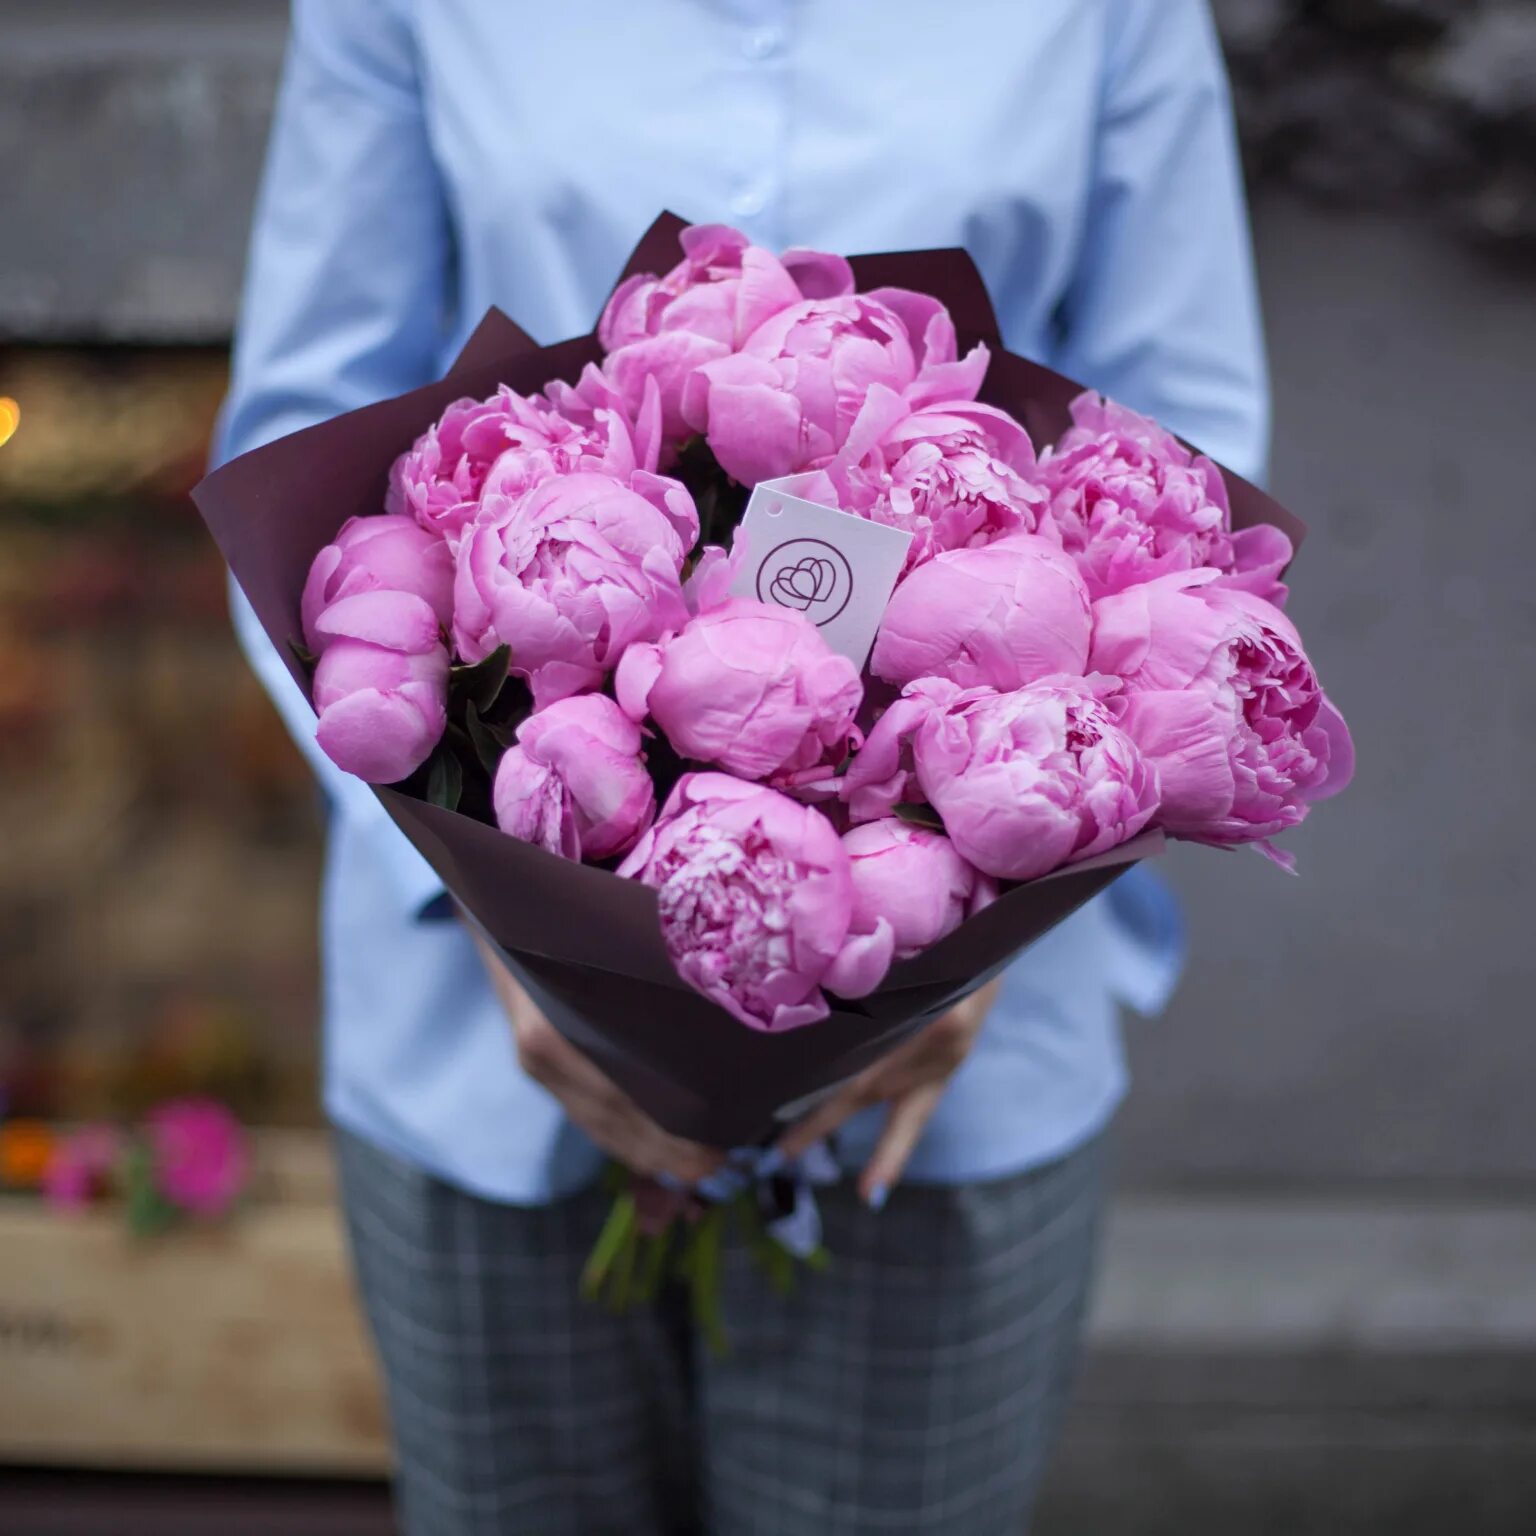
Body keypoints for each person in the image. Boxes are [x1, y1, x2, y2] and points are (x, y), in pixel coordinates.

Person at [217, 3, 1266, 1532]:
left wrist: (962, 922)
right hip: (484, 1064)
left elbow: (1186, 456)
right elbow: (305, 440)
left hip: (943, 1087)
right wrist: (503, 923)